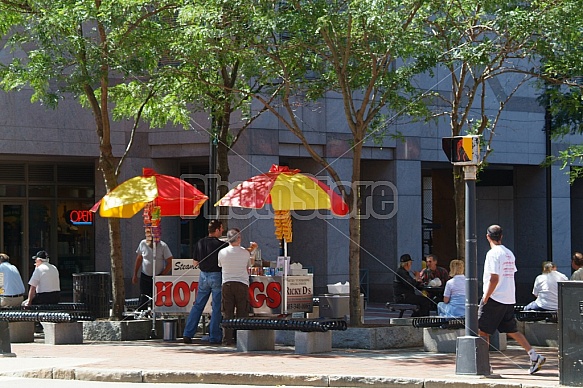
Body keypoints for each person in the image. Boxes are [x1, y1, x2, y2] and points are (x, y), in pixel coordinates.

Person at [479, 225, 546, 375]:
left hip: (495, 297)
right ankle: (534, 356)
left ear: (487, 237)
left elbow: (494, 278)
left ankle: (483, 365)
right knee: (512, 330)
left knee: (482, 331)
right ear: (501, 236)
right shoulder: (509, 253)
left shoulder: (492, 254)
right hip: (509, 297)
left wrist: (486, 297)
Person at [183, 219, 228, 345]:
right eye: (221, 228)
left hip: (203, 276)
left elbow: (195, 262)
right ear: (217, 229)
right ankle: (214, 336)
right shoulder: (223, 246)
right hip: (217, 275)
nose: (222, 230)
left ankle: (188, 333)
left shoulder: (200, 242)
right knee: (217, 308)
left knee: (198, 305)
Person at [218, 228, 258, 346]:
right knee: (242, 311)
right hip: (241, 283)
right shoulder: (244, 252)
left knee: (227, 312)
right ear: (238, 239)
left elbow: (220, 264)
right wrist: (253, 250)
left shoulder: (222, 252)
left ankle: (227, 339)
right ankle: (242, 338)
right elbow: (250, 264)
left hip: (227, 283)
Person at [132, 227, 173, 310]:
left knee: (156, 298)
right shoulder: (143, 243)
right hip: (145, 275)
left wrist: (163, 274)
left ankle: (156, 313)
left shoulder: (163, 246)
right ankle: (142, 313)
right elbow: (139, 259)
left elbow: (170, 261)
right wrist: (135, 274)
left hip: (158, 276)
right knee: (143, 296)